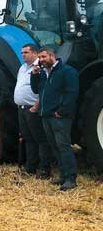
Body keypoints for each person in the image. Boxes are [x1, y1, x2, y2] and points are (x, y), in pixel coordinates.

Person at [31, 47, 80, 190]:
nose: (41, 60)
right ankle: (63, 176)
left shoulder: (67, 71)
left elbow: (72, 93)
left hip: (59, 117)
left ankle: (71, 179)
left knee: (64, 146)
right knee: (55, 147)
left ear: (52, 56)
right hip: (46, 116)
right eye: (39, 58)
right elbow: (36, 90)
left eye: (43, 57)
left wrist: (62, 111)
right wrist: (34, 75)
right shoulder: (44, 74)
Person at [15, 43, 51, 178]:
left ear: (35, 54)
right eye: (22, 53)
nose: (23, 55)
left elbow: (43, 89)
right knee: (28, 138)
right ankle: (30, 167)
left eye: (26, 52)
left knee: (40, 139)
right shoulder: (22, 68)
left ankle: (44, 169)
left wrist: (36, 105)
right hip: (22, 109)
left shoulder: (40, 68)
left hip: (33, 109)